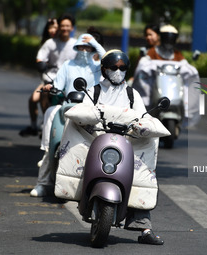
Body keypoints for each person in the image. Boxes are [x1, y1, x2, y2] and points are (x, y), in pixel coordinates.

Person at [83, 50, 164, 245]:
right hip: (98, 143)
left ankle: (144, 228)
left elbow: (144, 118)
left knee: (142, 177)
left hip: (126, 145)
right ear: (104, 69)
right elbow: (84, 113)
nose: (118, 71)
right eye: (113, 68)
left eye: (122, 68)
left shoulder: (132, 94)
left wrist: (142, 126)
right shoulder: (94, 91)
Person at [30, 33, 106, 197]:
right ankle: (43, 181)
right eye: (81, 46)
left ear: (93, 48)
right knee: (51, 112)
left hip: (90, 110)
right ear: (76, 48)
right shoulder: (67, 65)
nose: (84, 50)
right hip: (68, 106)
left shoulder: (98, 66)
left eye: (88, 47)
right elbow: (58, 84)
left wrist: (94, 42)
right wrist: (51, 87)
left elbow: (107, 58)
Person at [19, 18, 59, 137]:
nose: (52, 30)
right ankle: (34, 126)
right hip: (47, 79)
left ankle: (47, 124)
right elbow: (40, 60)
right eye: (50, 27)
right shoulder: (46, 43)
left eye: (55, 27)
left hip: (61, 80)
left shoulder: (64, 44)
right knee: (33, 99)